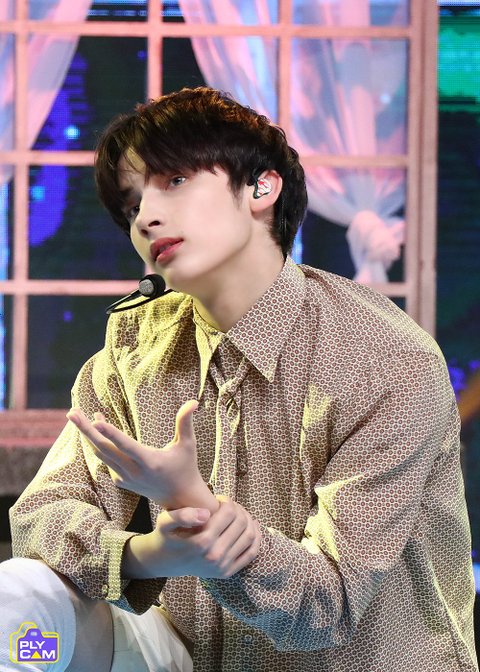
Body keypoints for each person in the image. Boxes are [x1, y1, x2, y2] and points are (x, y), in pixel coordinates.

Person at [1, 86, 477, 672]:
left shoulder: (386, 360)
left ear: (260, 187)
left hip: (350, 660)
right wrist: (149, 555)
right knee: (17, 609)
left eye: (174, 180)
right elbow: (40, 518)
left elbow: (327, 608)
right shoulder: (135, 344)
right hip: (188, 654)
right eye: (132, 205)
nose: (145, 218)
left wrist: (193, 506)